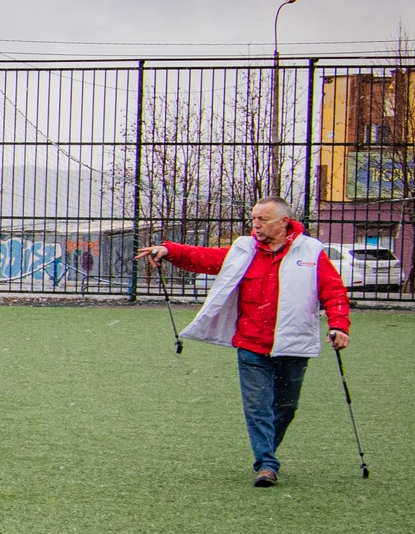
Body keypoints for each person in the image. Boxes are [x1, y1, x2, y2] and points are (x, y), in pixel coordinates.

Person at [140, 198, 349, 487]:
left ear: (284, 222)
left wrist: (339, 324)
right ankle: (266, 463)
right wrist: (169, 250)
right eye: (254, 219)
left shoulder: (311, 251)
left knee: (286, 407)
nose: (256, 225)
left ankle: (267, 454)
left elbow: (333, 291)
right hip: (251, 343)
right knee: (257, 407)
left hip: (294, 344)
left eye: (263, 219)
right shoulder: (244, 249)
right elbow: (205, 258)